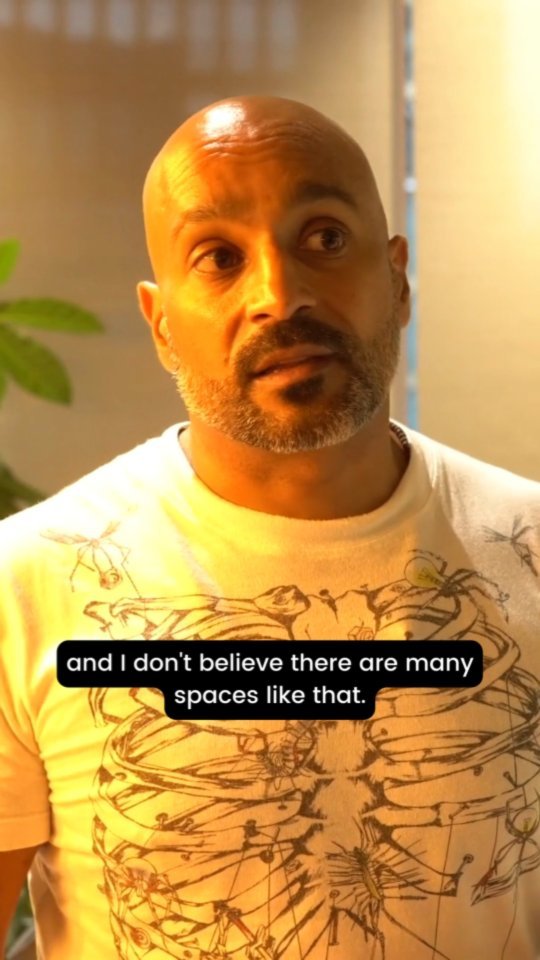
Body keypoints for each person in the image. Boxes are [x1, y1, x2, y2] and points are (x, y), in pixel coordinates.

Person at [0, 94, 539, 960]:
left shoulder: (530, 548)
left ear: (398, 278)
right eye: (218, 257)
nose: (280, 297)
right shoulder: (25, 585)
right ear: (161, 323)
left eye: (323, 238)